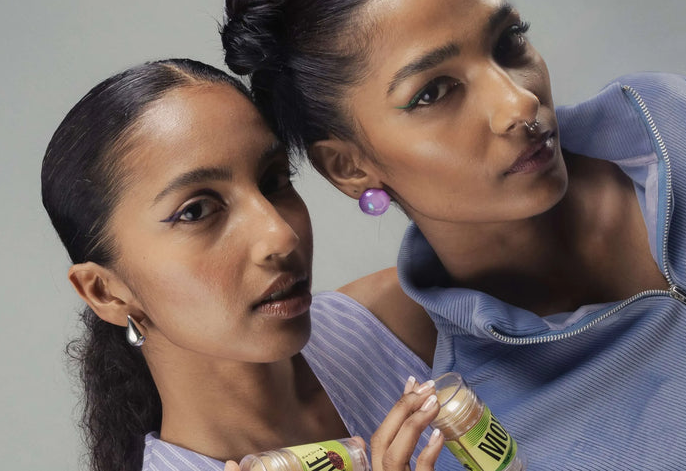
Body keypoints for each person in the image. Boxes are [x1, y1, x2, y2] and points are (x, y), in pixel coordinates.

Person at [220, 0, 686, 469]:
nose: (518, 103)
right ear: (351, 167)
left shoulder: (674, 121)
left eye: (508, 41)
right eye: (436, 91)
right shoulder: (483, 434)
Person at [41, 59, 443, 471]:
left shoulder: (412, 314)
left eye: (274, 181)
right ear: (105, 292)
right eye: (196, 211)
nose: (281, 235)